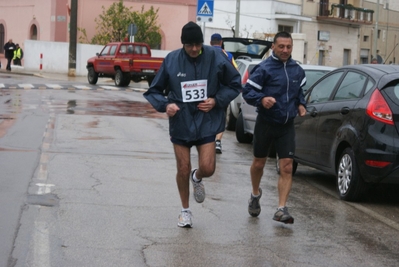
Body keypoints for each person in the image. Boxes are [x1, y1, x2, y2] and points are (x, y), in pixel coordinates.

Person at [143, 21, 241, 228]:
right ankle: (185, 211)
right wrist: (166, 105)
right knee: (183, 167)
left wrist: (216, 100)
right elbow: (153, 91)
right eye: (190, 45)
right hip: (181, 121)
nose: (195, 49)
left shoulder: (216, 56)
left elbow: (234, 84)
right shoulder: (171, 60)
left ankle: (197, 177)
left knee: (208, 167)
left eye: (198, 44)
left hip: (207, 120)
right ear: (183, 44)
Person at [242, 31, 306, 224]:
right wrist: (261, 99)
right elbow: (247, 92)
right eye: (281, 47)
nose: (285, 50)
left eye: (288, 47)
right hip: (266, 123)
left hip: (286, 125)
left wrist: (302, 105)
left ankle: (281, 209)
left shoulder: (297, 70)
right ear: (273, 47)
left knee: (287, 166)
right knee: (259, 163)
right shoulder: (263, 69)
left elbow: (299, 93)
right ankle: (255, 194)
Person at [210, 33, 238, 154]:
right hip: (223, 93)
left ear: (211, 43)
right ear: (221, 42)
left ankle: (208, 141)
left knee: (208, 115)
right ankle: (218, 141)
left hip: (208, 91)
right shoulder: (228, 55)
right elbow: (236, 72)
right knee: (221, 116)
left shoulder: (205, 53)